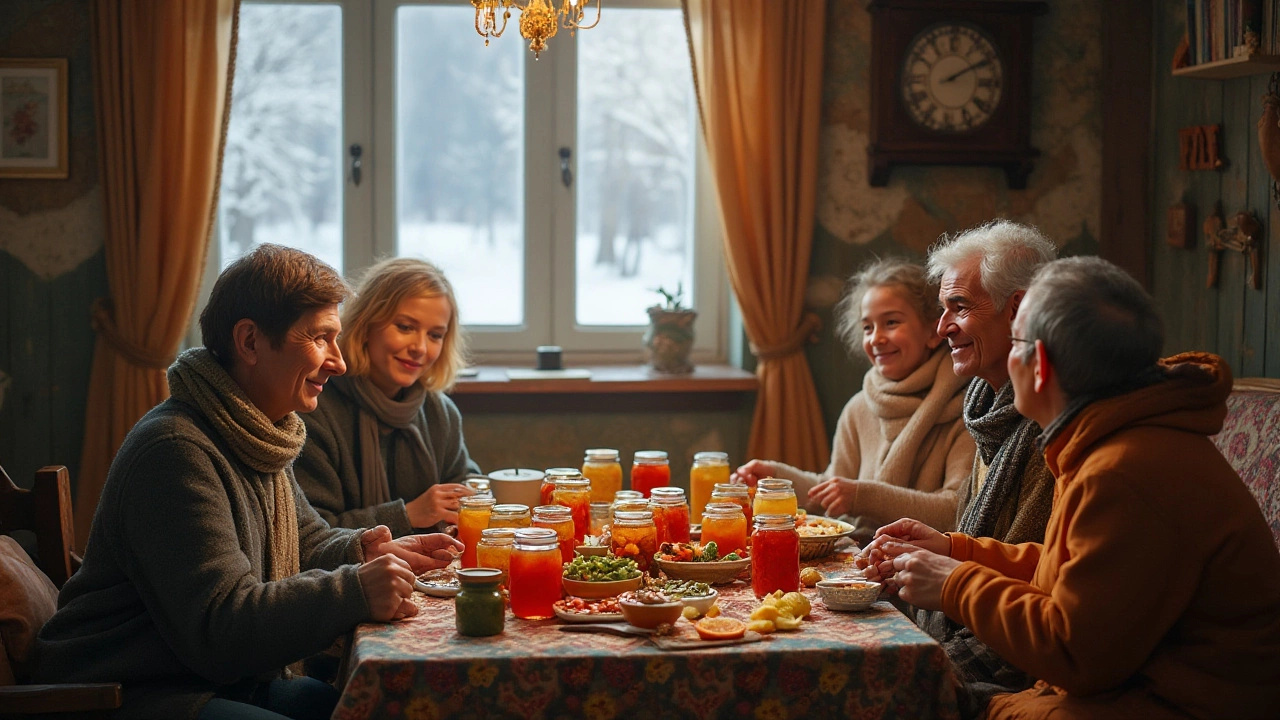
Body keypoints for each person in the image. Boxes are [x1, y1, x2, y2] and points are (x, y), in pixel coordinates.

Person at [33, 245, 462, 720]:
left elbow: (307, 539)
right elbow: (221, 628)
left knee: (382, 708)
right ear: (251, 342)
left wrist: (369, 549)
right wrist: (355, 589)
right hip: (131, 692)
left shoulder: (259, 430)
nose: (338, 362)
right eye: (321, 338)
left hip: (212, 679)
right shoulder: (176, 450)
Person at [864, 257, 1280, 719]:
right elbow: (1072, 574)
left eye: (1015, 341)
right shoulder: (1110, 441)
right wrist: (956, 551)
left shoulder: (1123, 472)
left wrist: (954, 583)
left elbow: (1077, 654)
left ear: (1038, 364)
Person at [860, 219, 1058, 715]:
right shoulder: (987, 406)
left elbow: (1058, 591)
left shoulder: (1052, 418)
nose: (943, 326)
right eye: (943, 308)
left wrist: (949, 570)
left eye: (961, 307)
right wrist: (941, 547)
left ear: (1018, 311)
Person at [733, 257, 975, 543]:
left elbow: (956, 510)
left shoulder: (965, 410)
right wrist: (775, 477)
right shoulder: (859, 408)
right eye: (868, 327)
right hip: (861, 556)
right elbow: (833, 491)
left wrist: (862, 496)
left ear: (933, 333)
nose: (876, 339)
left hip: (923, 567)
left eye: (891, 322)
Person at [294, 257, 479, 538]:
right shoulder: (314, 407)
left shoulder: (441, 413)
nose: (420, 347)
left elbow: (469, 488)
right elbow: (308, 534)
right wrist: (405, 516)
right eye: (405, 327)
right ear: (367, 325)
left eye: (435, 335)